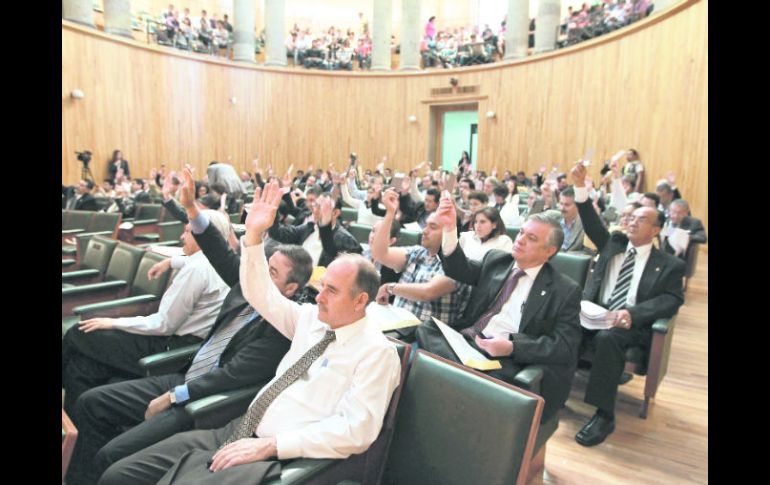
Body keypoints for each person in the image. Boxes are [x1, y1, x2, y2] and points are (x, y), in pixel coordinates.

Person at [100, 181, 401, 485]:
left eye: (331, 291)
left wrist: (272, 445)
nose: (319, 297)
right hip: (236, 430)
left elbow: (356, 430)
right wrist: (254, 237)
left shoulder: (376, 352)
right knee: (118, 475)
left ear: (361, 301)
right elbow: (260, 295)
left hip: (279, 457)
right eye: (322, 287)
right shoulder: (311, 319)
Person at [65, 170, 314, 485]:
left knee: (112, 458)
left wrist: (173, 396)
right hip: (184, 375)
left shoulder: (282, 327)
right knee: (91, 403)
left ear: (291, 288)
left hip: (204, 400)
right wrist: (192, 209)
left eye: (273, 273)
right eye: (264, 266)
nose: (261, 274)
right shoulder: (249, 287)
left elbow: (231, 375)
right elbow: (217, 250)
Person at [415, 192, 582, 423]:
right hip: (469, 341)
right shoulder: (497, 261)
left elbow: (564, 346)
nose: (520, 239)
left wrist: (512, 347)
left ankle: (454, 393)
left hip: (503, 358)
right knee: (425, 329)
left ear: (549, 251)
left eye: (531, 238)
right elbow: (458, 269)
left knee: (482, 377)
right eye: (522, 232)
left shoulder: (564, 290)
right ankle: (456, 386)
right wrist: (450, 228)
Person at [62, 209, 233, 416]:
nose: (181, 237)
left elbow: (163, 325)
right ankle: (75, 429)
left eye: (187, 232)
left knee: (78, 332)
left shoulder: (196, 270)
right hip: (187, 345)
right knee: (81, 367)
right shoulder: (224, 264)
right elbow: (193, 262)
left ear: (203, 237)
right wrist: (170, 261)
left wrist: (114, 322)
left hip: (170, 348)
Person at [570, 162, 685, 447]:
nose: (632, 221)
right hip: (595, 313)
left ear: (657, 229)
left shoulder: (669, 265)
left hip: (630, 324)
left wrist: (632, 314)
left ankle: (604, 415)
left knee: (609, 339)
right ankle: (552, 394)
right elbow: (589, 218)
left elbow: (672, 299)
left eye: (641, 219)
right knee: (560, 322)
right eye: (631, 217)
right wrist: (581, 186)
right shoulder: (613, 244)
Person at [371, 188, 470, 338]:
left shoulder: (458, 264)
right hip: (396, 325)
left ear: (448, 232)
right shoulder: (418, 252)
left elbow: (427, 292)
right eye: (426, 225)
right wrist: (390, 213)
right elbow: (380, 253)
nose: (424, 231)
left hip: (425, 337)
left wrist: (390, 287)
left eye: (433, 227)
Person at [268, 192, 362, 267]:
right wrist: (273, 208)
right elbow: (278, 233)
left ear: (335, 213)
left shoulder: (346, 241)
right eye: (316, 205)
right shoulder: (309, 228)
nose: (315, 211)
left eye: (321, 207)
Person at [558, 187, 585, 252]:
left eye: (567, 205)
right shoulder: (553, 218)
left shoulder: (585, 225)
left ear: (577, 206)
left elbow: (588, 253)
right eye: (561, 204)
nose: (562, 208)